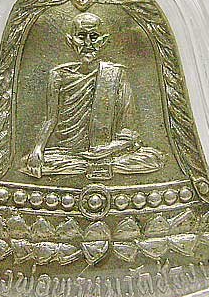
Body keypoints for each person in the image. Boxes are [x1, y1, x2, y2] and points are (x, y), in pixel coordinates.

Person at [19, 12, 164, 180]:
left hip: (109, 152)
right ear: (70, 40)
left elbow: (129, 132)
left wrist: (107, 149)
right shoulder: (59, 75)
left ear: (103, 41)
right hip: (70, 154)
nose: (88, 44)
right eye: (81, 37)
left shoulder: (116, 74)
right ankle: (93, 165)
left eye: (94, 37)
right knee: (26, 162)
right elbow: (50, 119)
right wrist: (37, 149)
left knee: (153, 159)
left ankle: (94, 165)